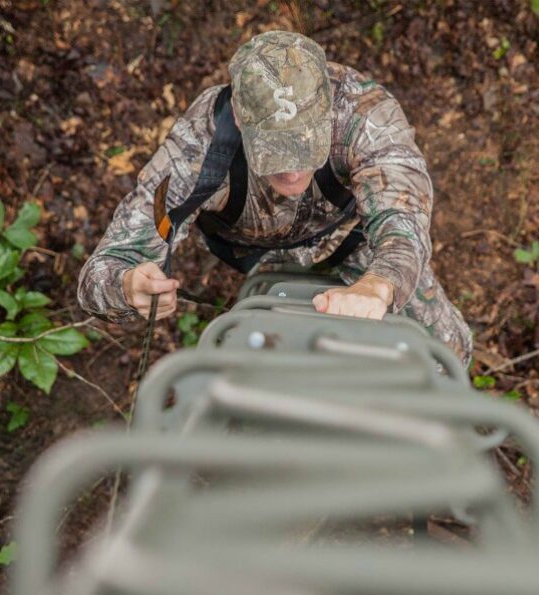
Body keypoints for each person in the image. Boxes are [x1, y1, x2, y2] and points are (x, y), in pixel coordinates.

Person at [77, 30, 472, 364]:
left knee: (445, 350)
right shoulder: (198, 146)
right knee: (272, 383)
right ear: (237, 114)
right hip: (263, 262)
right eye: (276, 151)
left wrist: (379, 285)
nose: (293, 171)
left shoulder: (364, 114)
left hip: (360, 249)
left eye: (306, 148)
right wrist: (127, 287)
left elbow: (403, 219)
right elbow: (104, 270)